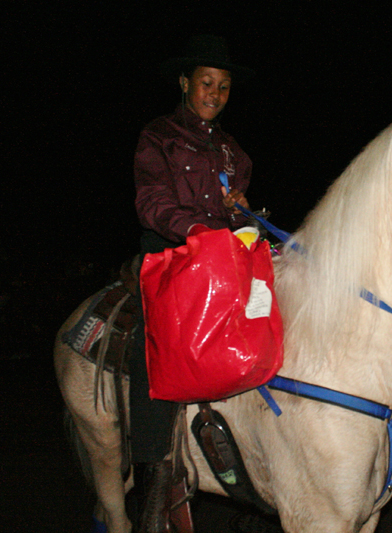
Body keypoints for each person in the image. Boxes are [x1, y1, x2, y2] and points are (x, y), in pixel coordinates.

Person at [130, 34, 255, 531]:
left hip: (219, 255)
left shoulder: (233, 152)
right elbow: (150, 203)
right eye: (207, 82)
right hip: (169, 252)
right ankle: (154, 472)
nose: (215, 93)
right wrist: (198, 230)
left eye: (224, 86)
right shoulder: (157, 136)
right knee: (153, 347)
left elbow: (238, 200)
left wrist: (243, 214)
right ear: (185, 83)